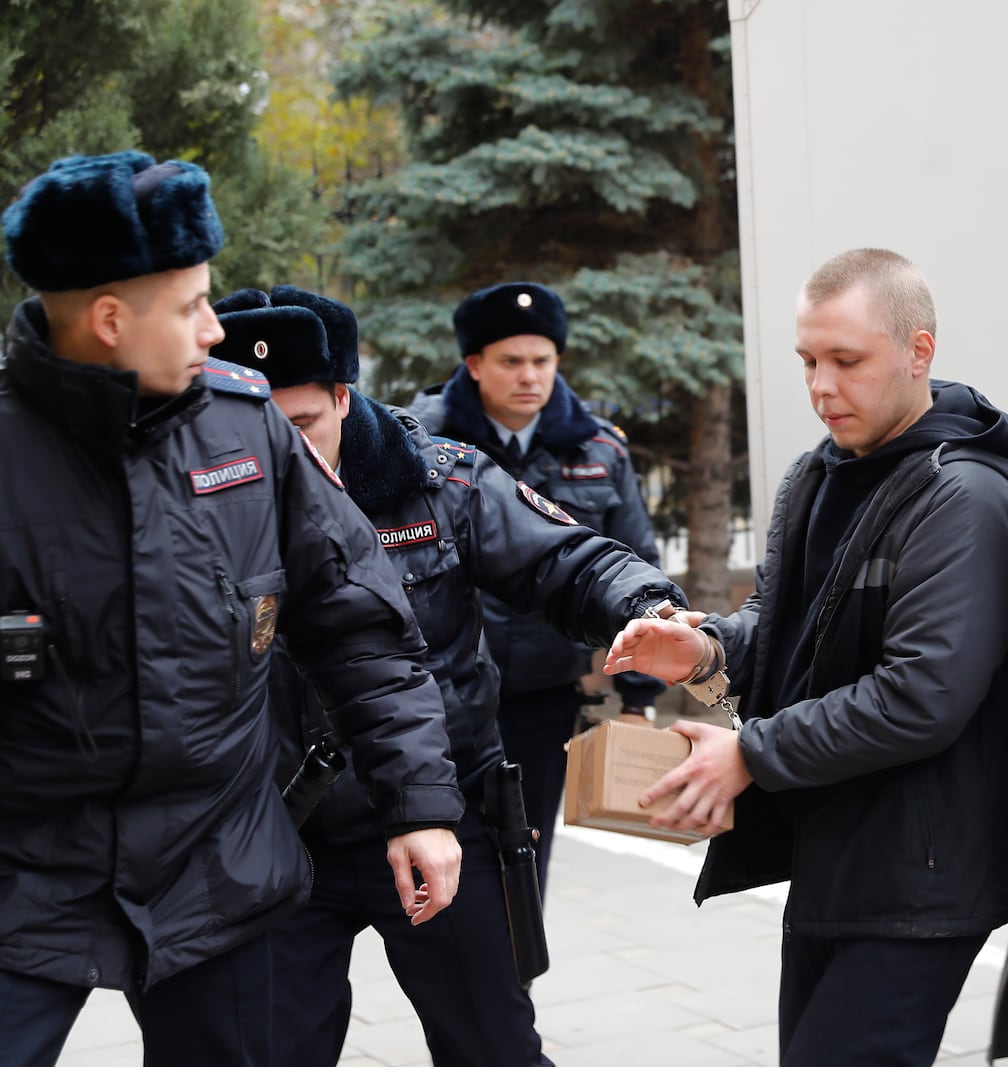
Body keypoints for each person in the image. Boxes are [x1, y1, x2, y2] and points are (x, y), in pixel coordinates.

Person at [0, 151, 464, 1067]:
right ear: (107, 321)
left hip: (221, 866)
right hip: (27, 872)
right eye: (189, 305)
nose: (214, 327)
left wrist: (419, 804)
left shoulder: (245, 424)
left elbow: (358, 623)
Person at [210, 285, 688, 1067]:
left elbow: (566, 556)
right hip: (277, 833)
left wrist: (644, 605)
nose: (282, 456)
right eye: (258, 433)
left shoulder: (437, 479)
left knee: (493, 1046)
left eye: (301, 427)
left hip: (438, 811)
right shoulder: (206, 496)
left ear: (342, 395)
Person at [603, 248, 1008, 1066]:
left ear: (919, 351)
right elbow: (782, 624)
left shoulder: (965, 495)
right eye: (808, 360)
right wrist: (701, 648)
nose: (821, 386)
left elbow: (921, 695)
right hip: (835, 849)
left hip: (924, 873)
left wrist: (752, 754)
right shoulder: (817, 474)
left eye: (848, 360)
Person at [413, 281, 665, 892]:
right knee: (451, 863)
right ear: (474, 365)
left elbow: (633, 562)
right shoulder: (416, 443)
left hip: (541, 698)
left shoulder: (600, 450)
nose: (529, 376)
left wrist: (636, 699)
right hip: (439, 701)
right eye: (510, 361)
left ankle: (515, 982)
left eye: (542, 361)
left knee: (524, 862)